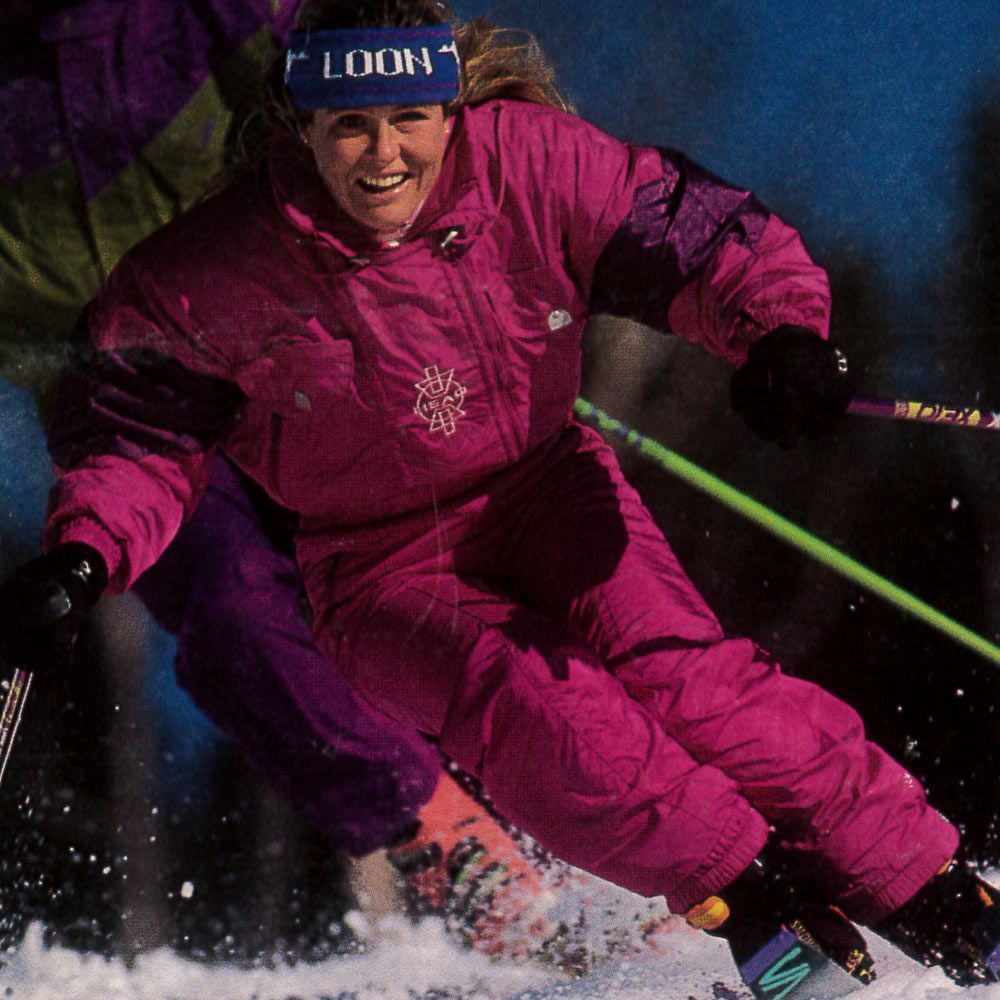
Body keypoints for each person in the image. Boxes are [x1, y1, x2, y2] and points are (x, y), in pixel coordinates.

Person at [2, 0, 998, 989]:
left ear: (449, 108)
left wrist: (778, 332)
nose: (381, 156)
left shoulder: (525, 162)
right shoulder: (217, 269)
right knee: (536, 703)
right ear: (303, 127)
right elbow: (137, 431)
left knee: (701, 688)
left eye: (409, 119)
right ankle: (750, 901)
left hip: (544, 487)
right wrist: (85, 554)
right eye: (348, 125)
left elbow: (688, 232)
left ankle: (936, 892)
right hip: (379, 567)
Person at [0, 0, 562, 962]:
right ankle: (454, 849)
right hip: (115, 400)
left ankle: (591, 802)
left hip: (277, 328)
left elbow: (363, 64)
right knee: (232, 612)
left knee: (418, 557)